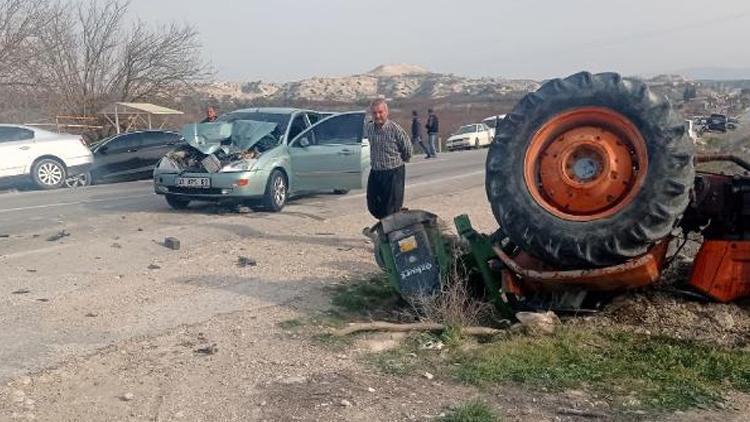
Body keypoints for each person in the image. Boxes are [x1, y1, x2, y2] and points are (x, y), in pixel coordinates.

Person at [365, 98, 412, 220]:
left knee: (391, 208)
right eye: (374, 113)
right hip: (376, 171)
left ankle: (391, 233)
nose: (378, 115)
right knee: (373, 205)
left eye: (380, 112)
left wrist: (401, 160)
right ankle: (388, 223)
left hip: (393, 172)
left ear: (386, 112)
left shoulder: (395, 129)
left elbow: (407, 148)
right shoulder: (369, 128)